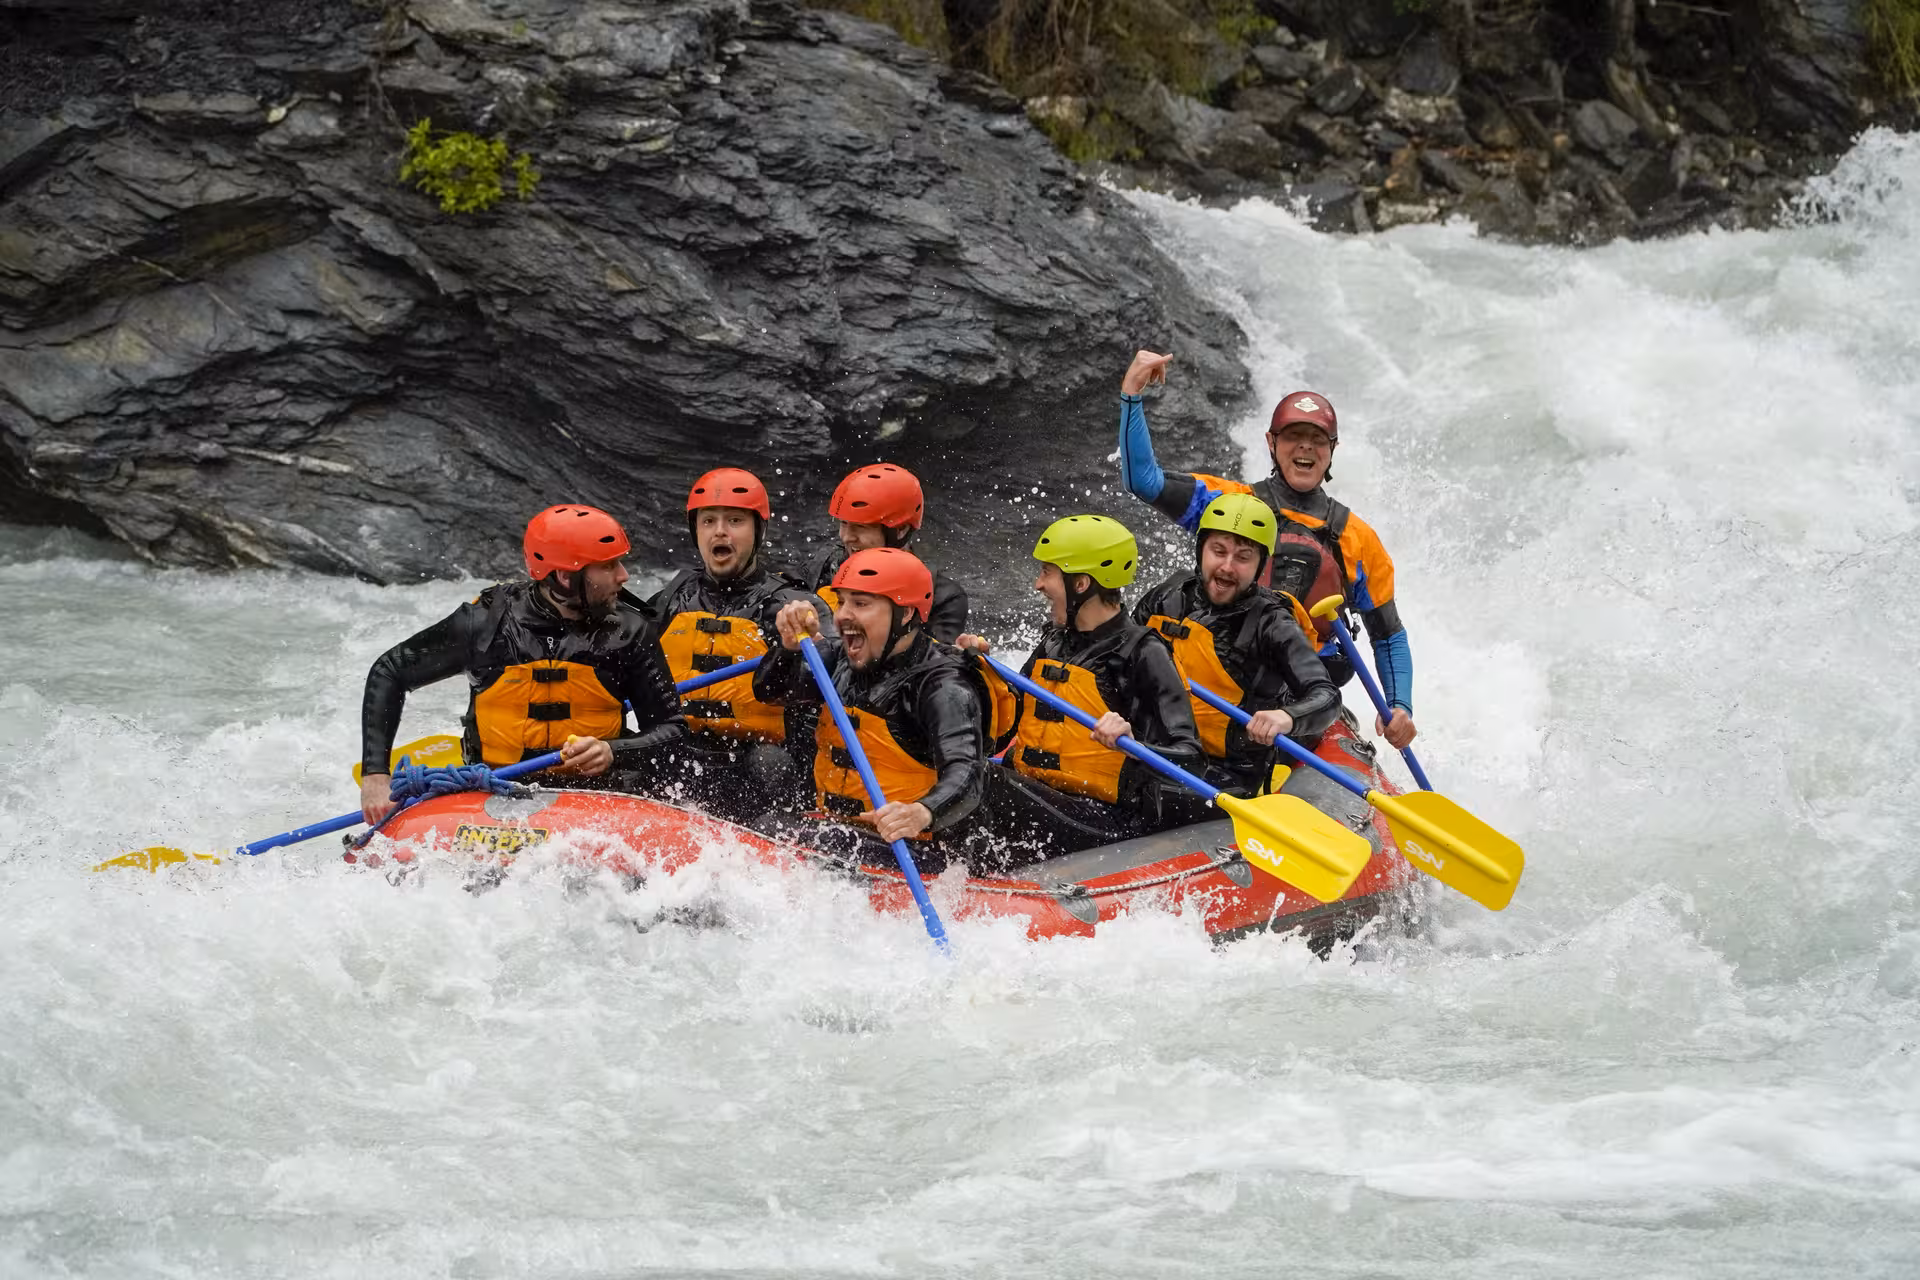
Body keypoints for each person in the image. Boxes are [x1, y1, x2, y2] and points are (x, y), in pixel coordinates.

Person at [1115, 349, 1418, 750]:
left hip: (1302, 691)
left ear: (1332, 449)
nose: (1305, 449)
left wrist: (1399, 707)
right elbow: (1144, 481)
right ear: (1272, 443)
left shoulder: (1357, 538)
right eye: (1294, 437)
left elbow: (1388, 634)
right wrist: (1132, 394)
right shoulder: (1230, 505)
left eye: (1317, 440)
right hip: (1221, 672)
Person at [357, 505, 686, 824]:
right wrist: (375, 776)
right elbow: (390, 671)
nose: (623, 576)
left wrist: (614, 751)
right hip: (493, 792)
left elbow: (671, 730)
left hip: (595, 796)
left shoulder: (629, 632)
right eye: (609, 566)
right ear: (565, 576)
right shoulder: (483, 625)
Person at [963, 514, 1205, 863]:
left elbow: (1190, 757)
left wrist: (1137, 746)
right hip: (1043, 795)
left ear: (1080, 584)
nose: (1038, 584)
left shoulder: (1144, 653)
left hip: (1104, 819)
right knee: (958, 764)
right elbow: (1007, 729)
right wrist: (978, 675)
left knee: (983, 780)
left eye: (1047, 572)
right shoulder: (1054, 642)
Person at [753, 547, 994, 872]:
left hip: (926, 849)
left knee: (793, 836)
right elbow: (770, 692)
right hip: (850, 832)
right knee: (768, 805)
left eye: (861, 604)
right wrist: (788, 649)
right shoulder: (840, 658)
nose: (841, 616)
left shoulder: (943, 686)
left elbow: (967, 774)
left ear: (906, 613)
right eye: (841, 602)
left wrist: (923, 812)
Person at [648, 468, 834, 823]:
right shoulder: (671, 600)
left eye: (735, 520)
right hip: (684, 753)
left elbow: (833, 673)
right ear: (695, 531)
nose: (720, 531)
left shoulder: (794, 606)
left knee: (769, 764)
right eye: (708, 521)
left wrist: (798, 644)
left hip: (760, 762)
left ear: (758, 531)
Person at [1132, 493, 1341, 801]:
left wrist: (1286, 717)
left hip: (1224, 771)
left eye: (1243, 557)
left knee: (1144, 792)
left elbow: (1326, 696)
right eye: (1218, 551)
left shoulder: (1273, 624)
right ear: (1201, 550)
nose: (1227, 567)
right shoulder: (1167, 597)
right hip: (1155, 747)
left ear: (1259, 567)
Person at [807, 462, 969, 643]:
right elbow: (777, 588)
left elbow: (937, 661)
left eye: (860, 527)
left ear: (900, 529)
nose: (846, 537)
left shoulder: (944, 597)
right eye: (844, 523)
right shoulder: (828, 562)